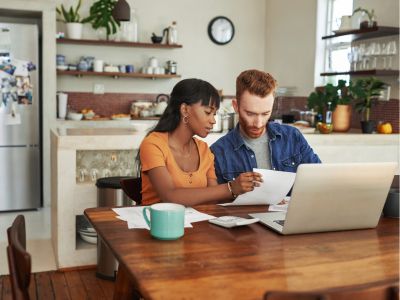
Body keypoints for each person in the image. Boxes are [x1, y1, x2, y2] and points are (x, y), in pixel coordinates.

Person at [139, 78, 262, 206]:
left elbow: (213, 198)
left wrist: (250, 192)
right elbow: (170, 197)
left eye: (214, 114)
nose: (213, 120)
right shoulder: (153, 144)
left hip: (197, 223)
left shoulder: (204, 149)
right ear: (185, 110)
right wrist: (231, 188)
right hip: (156, 224)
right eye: (208, 112)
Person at [210, 69, 321, 184]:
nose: (258, 123)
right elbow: (215, 199)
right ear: (236, 106)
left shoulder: (293, 137)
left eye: (265, 113)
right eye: (250, 113)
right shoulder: (217, 152)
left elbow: (319, 177)